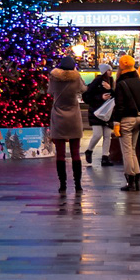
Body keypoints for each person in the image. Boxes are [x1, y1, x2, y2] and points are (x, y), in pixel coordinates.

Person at [47, 55, 87, 193]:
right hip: (74, 117)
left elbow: (49, 91)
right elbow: (83, 89)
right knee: (75, 153)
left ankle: (62, 184)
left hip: (58, 117)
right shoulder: (76, 78)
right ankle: (78, 184)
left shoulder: (54, 78)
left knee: (60, 154)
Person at [112, 55, 140, 192]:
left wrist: (116, 123)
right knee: (133, 149)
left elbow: (119, 105)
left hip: (125, 120)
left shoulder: (121, 84)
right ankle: (137, 178)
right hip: (138, 119)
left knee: (127, 151)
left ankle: (130, 179)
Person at [82, 63, 114, 166]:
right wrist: (101, 97)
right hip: (96, 112)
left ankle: (105, 157)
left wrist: (110, 89)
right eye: (108, 70)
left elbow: (115, 95)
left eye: (111, 70)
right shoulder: (96, 81)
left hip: (108, 112)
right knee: (97, 134)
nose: (110, 72)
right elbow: (87, 96)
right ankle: (89, 150)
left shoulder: (112, 81)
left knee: (107, 135)